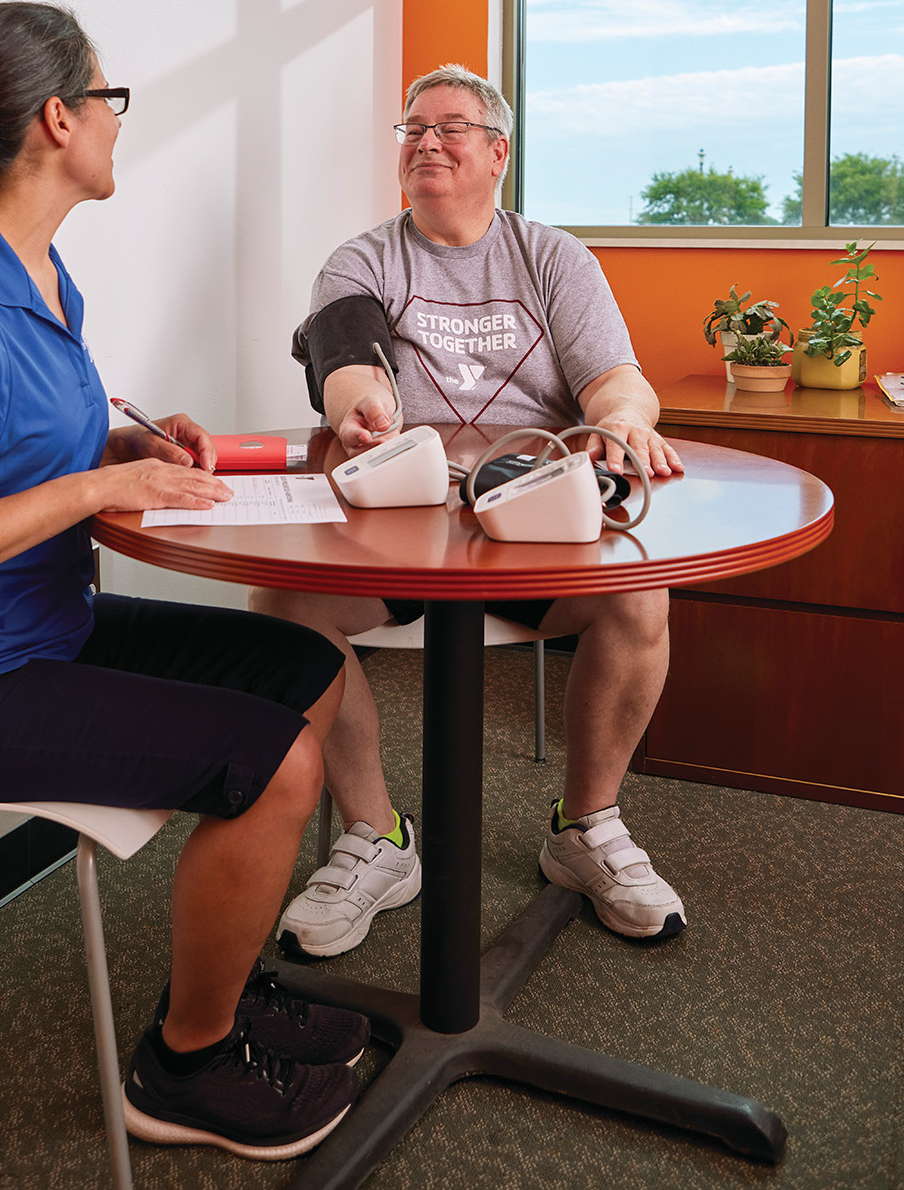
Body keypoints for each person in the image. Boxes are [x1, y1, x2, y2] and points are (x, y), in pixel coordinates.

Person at [0, 2, 363, 1160]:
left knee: (306, 671)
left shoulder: (44, 273)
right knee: (278, 761)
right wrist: (86, 495)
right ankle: (183, 1070)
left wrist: (118, 455)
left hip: (34, 625)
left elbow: (8, 455)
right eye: (109, 99)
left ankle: (220, 983)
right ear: (57, 119)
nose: (119, 122)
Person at [253, 64, 687, 960]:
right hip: (401, 543)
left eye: (450, 127)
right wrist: (359, 406)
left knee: (643, 596)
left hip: (531, 533)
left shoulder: (552, 256)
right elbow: (350, 363)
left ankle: (586, 827)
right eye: (413, 128)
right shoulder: (362, 259)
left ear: (498, 152)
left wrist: (619, 422)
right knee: (282, 606)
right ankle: (377, 837)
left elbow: (618, 379)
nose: (426, 141)